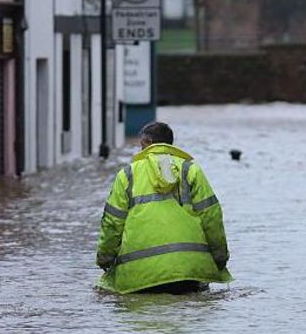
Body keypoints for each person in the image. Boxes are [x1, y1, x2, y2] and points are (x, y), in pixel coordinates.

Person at [96, 122, 232, 294]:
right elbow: (211, 217)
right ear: (170, 143)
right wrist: (219, 258)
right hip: (189, 271)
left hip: (139, 274)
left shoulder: (127, 175)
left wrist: (105, 259)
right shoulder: (191, 171)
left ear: (146, 142)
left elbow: (112, 222)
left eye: (141, 145)